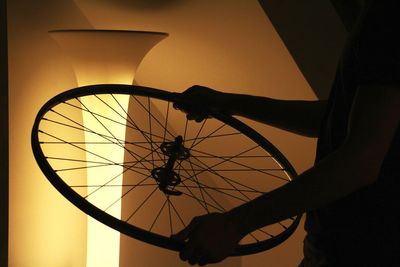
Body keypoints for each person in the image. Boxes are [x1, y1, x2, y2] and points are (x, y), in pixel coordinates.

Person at [171, 0, 400, 266]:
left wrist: (234, 224)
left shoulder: (389, 16)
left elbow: (361, 160)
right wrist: (227, 103)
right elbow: (341, 117)